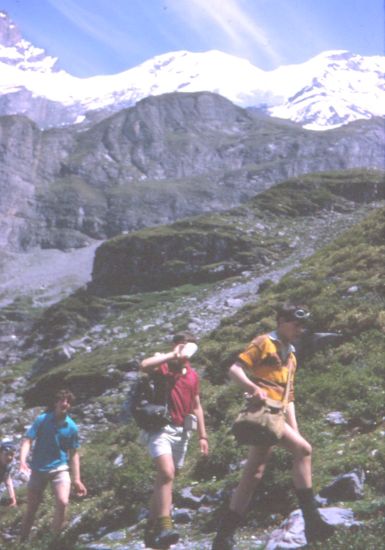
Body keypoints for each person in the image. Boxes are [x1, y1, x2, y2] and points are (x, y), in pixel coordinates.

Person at [212, 304, 335, 549]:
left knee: (254, 474)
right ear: (281, 321)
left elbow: (289, 397)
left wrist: (295, 428)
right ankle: (312, 522)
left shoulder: (291, 356)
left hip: (277, 415)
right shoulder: (263, 342)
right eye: (295, 324)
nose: (299, 329)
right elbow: (235, 370)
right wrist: (253, 388)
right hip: (263, 414)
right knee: (303, 451)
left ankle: (223, 537)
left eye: (302, 326)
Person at [140, 332, 209, 549]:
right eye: (180, 344)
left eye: (187, 345)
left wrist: (202, 436)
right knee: (167, 473)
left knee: (167, 478)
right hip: (162, 427)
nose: (184, 349)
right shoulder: (164, 367)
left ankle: (151, 527)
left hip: (182, 431)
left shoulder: (192, 375)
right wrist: (172, 354)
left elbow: (197, 405)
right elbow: (143, 365)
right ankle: (165, 526)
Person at [19, 389, 87, 542]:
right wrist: (22, 460)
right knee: (31, 509)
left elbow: (74, 453)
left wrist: (77, 479)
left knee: (63, 502)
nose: (65, 403)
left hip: (59, 468)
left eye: (68, 401)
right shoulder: (42, 419)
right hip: (38, 469)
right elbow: (28, 440)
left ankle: (53, 541)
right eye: (62, 400)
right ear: (55, 402)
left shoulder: (72, 427)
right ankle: (22, 541)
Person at [0, 442, 17, 507]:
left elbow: (7, 480)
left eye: (12, 455)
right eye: (6, 454)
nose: (9, 457)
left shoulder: (8, 466)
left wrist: (12, 497)